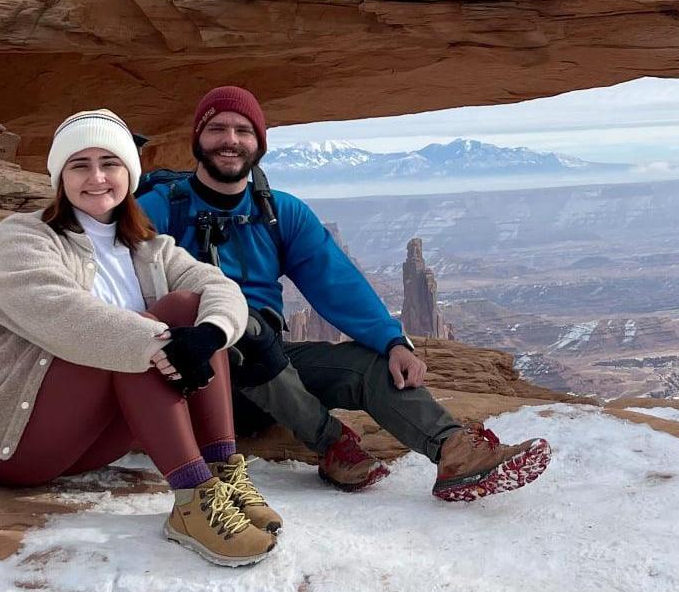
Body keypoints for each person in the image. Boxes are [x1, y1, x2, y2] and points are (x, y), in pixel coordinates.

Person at [138, 86, 549, 502]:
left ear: (259, 143)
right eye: (217, 129)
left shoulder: (278, 212)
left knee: (371, 365)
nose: (231, 140)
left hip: (270, 371)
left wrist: (393, 341)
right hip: (192, 381)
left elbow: (336, 283)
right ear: (197, 139)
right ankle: (333, 445)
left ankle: (454, 451)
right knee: (246, 326)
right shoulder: (160, 209)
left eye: (243, 131)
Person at [0, 109, 277, 568]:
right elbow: (65, 316)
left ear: (129, 174)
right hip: (2, 443)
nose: (96, 177)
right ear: (61, 177)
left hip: (87, 445)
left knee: (188, 306)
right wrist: (161, 342)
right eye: (80, 165)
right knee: (128, 337)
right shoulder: (21, 239)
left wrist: (209, 335)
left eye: (110, 163)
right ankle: (192, 500)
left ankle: (223, 473)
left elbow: (220, 288)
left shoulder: (149, 248)